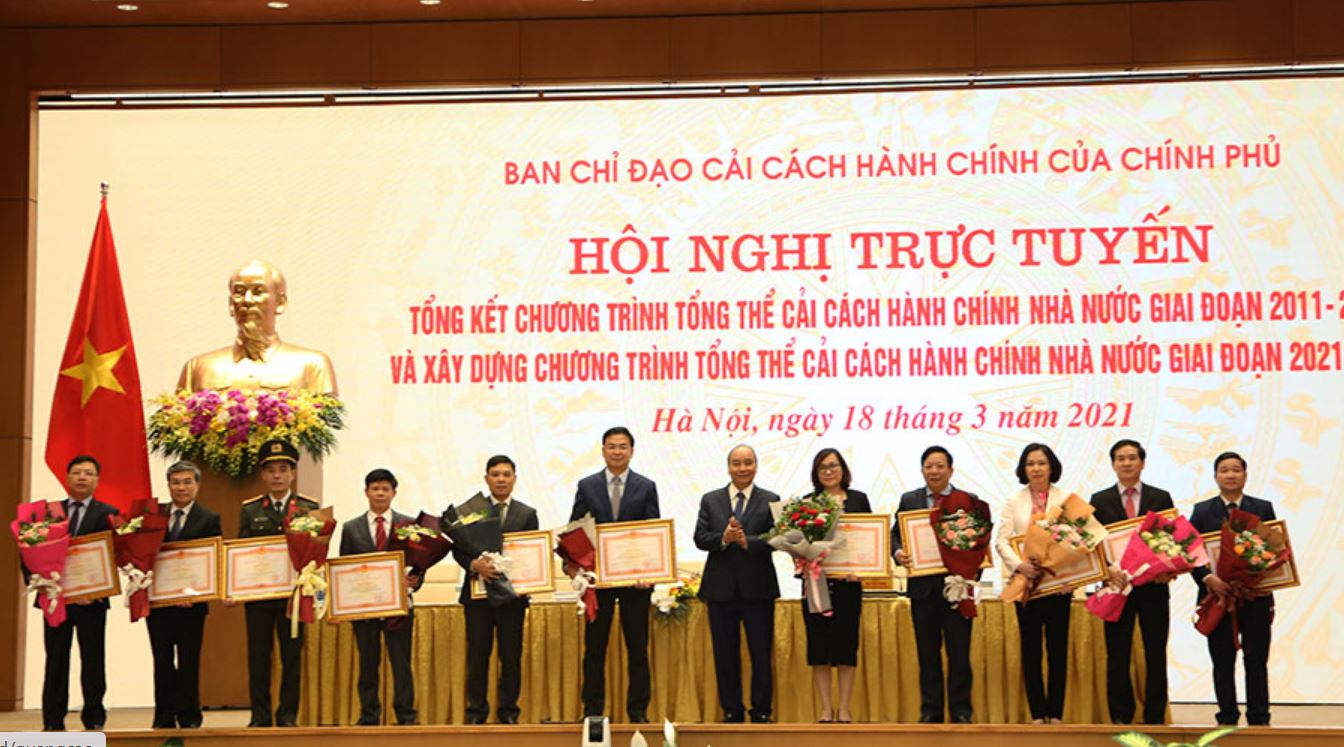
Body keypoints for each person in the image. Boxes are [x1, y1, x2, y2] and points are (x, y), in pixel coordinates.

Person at [569, 426, 660, 723]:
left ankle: (638, 712)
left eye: (622, 446)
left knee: (637, 648)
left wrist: (650, 572)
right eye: (611, 446)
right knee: (595, 649)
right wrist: (577, 564)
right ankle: (592, 711)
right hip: (598, 581)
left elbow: (652, 532)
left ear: (631, 451)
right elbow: (575, 528)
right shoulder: (587, 486)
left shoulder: (646, 486)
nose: (617, 451)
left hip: (635, 582)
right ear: (603, 450)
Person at [1089, 439, 1174, 725]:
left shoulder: (1160, 498)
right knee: (1117, 654)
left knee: (1155, 653)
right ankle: (1120, 715)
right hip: (1116, 588)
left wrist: (1168, 569)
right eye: (1120, 458)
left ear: (1142, 463)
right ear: (1113, 464)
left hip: (1153, 588)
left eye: (1132, 458)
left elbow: (1171, 542)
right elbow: (1093, 545)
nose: (1126, 463)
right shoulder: (1099, 500)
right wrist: (1106, 571)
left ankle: (1155, 716)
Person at [693, 444, 779, 724]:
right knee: (725, 654)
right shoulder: (710, 499)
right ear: (728, 467)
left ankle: (762, 710)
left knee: (761, 653)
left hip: (759, 588)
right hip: (720, 589)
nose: (743, 468)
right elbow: (700, 537)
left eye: (748, 462)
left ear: (756, 465)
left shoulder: (771, 499)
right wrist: (723, 538)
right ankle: (731, 709)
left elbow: (779, 538)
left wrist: (747, 541)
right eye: (737, 463)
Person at [1189, 451, 1277, 726]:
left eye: (1236, 470)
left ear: (1245, 475)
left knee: (1256, 659)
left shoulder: (1262, 508)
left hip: (1255, 597)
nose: (1230, 475)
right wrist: (1208, 578)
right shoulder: (1202, 511)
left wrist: (1256, 579)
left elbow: (1275, 550)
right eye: (1224, 470)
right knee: (1222, 661)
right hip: (1217, 598)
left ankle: (1259, 718)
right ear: (1215, 476)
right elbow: (1190, 552)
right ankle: (1227, 717)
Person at [237, 439, 319, 727]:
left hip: (293, 598)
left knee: (292, 658)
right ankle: (260, 716)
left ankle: (287, 716)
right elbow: (242, 554)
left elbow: (316, 553)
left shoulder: (308, 508)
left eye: (283, 469)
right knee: (258, 658)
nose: (277, 476)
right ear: (263, 474)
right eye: (271, 470)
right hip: (258, 597)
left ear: (293, 473)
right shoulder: (250, 511)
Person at [892, 445, 976, 724]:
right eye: (929, 466)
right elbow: (895, 535)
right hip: (923, 589)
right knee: (927, 653)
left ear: (950, 470)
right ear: (922, 470)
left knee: (959, 652)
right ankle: (931, 710)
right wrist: (898, 553)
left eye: (940, 466)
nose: (934, 471)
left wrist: (971, 568)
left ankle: (961, 710)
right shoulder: (910, 500)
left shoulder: (968, 500)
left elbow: (980, 540)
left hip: (957, 586)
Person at [454, 455, 539, 724]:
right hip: (478, 597)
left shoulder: (527, 514)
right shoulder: (472, 511)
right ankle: (476, 712)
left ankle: (509, 712)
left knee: (511, 657)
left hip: (512, 598)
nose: (501, 479)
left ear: (514, 478)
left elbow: (530, 551)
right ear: (486, 478)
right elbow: (458, 548)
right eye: (495, 474)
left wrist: (530, 581)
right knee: (477, 656)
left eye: (506, 474)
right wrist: (474, 564)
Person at [37, 455, 119, 732]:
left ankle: (94, 716)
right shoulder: (49, 513)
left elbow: (118, 554)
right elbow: (29, 552)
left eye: (88, 473)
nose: (82, 477)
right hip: (55, 600)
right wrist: (39, 583)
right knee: (56, 659)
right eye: (77, 472)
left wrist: (98, 589)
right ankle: (53, 719)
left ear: (97, 480)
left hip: (91, 602)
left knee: (93, 658)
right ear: (67, 477)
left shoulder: (108, 513)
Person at [177, 259, 337, 394]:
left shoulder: (312, 365)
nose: (247, 300)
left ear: (280, 302)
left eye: (258, 291)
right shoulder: (198, 367)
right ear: (231, 304)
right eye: (239, 292)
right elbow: (179, 418)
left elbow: (325, 418)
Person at [995, 442, 1071, 724]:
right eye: (1030, 464)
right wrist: (1019, 566)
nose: (1036, 468)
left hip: (1059, 586)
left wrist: (1071, 577)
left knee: (1058, 651)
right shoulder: (1013, 501)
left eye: (1041, 463)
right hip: (1026, 586)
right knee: (1031, 651)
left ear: (1051, 467)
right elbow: (1002, 541)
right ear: (1023, 469)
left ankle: (1056, 713)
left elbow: (1079, 543)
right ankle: (1038, 713)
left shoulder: (1066, 499)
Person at [338, 468, 419, 726]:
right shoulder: (351, 528)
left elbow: (419, 563)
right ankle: (369, 715)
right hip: (365, 608)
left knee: (401, 664)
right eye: (375, 489)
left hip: (399, 606)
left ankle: (406, 716)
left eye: (385, 489)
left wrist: (415, 580)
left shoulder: (408, 525)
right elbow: (344, 567)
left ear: (394, 493)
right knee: (367, 664)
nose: (380, 493)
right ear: (366, 492)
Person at [147, 460, 222, 729]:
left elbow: (212, 559)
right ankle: (163, 715)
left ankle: (189, 715)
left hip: (192, 605)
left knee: (189, 660)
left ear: (197, 485)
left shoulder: (209, 518)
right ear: (168, 485)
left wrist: (196, 592)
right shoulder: (153, 516)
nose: (181, 487)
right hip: (159, 603)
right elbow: (142, 554)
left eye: (187, 482)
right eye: (176, 482)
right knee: (162, 660)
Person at [802, 448, 870, 724]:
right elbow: (799, 543)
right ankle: (825, 708)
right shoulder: (807, 503)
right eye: (823, 467)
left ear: (843, 469)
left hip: (848, 585)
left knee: (846, 648)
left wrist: (862, 569)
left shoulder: (858, 500)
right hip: (816, 583)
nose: (829, 471)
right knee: (819, 649)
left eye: (833, 466)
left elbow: (867, 538)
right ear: (816, 473)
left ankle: (844, 708)